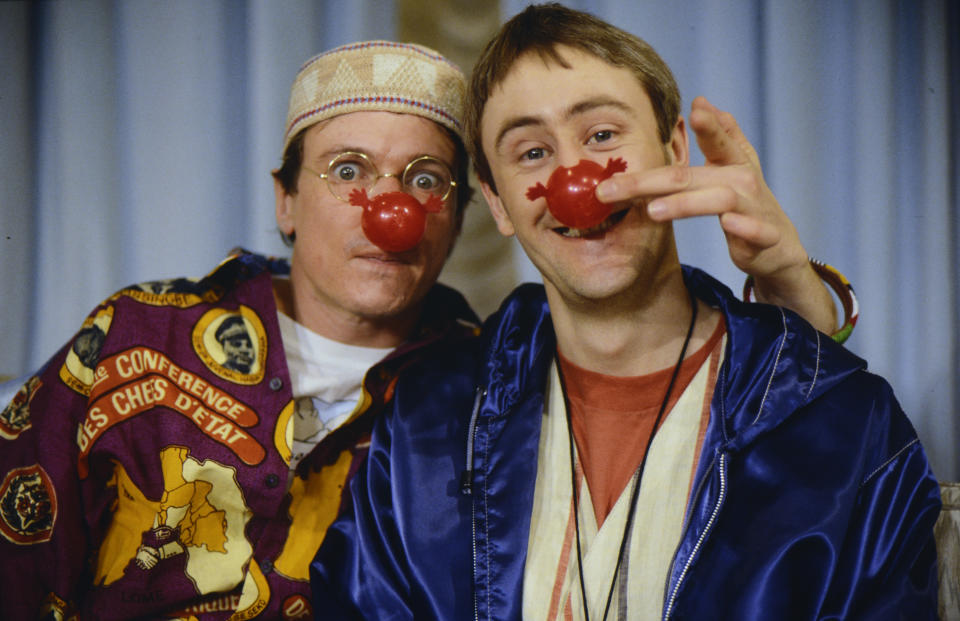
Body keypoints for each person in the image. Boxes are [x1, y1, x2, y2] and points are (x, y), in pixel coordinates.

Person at [0, 33, 853, 621]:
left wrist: (797, 292)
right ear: (285, 200)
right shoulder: (135, 336)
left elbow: (678, 358)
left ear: (465, 214)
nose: (392, 208)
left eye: (425, 179)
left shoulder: (485, 388)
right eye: (348, 171)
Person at [309, 5, 941, 620]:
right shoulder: (427, 425)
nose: (575, 183)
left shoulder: (851, 424)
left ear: (673, 151)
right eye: (531, 152)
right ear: (499, 205)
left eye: (602, 135)